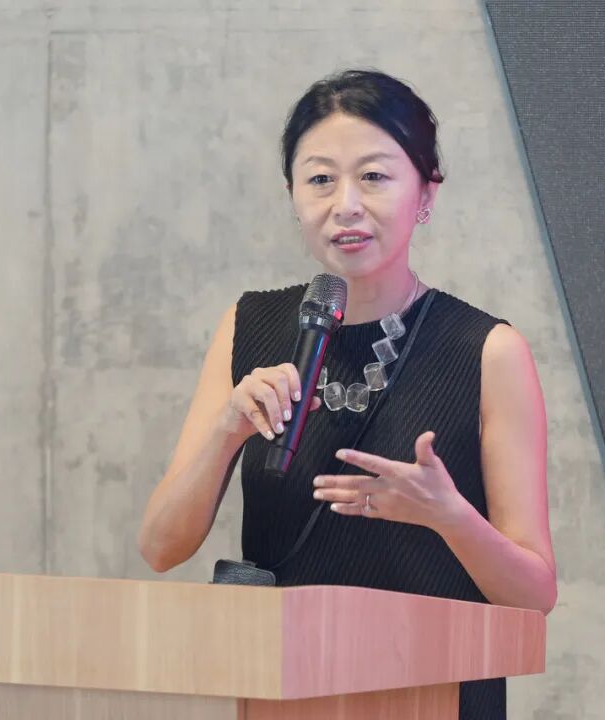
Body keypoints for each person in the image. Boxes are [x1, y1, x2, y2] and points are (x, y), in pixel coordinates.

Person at [137, 69, 556, 719]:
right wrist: (226, 430)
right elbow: (160, 547)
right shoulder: (249, 326)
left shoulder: (488, 350)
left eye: (374, 176)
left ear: (426, 193)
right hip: (287, 694)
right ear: (292, 195)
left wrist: (449, 515)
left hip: (435, 696)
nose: (346, 205)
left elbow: (534, 595)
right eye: (320, 180)